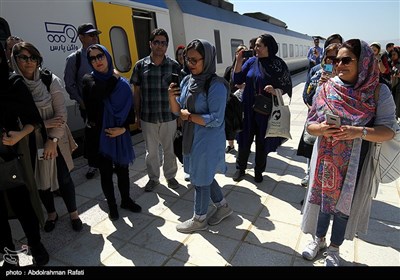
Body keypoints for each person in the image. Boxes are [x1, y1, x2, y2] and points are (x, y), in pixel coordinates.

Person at [300, 39, 399, 267]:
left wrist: (358, 131)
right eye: (336, 60)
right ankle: (319, 239)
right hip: (326, 158)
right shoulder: (327, 87)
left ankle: (334, 248)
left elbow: (388, 131)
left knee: (345, 205)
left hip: (357, 160)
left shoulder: (378, 91)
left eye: (346, 60)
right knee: (323, 200)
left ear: (363, 62)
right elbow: (310, 124)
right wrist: (322, 129)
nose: (339, 65)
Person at [11, 42, 83, 232]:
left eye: (33, 57)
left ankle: (74, 213)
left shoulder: (50, 80)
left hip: (54, 139)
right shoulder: (13, 85)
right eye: (23, 57)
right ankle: (52, 213)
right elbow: (15, 120)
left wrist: (52, 141)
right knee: (41, 180)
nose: (29, 62)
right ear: (14, 59)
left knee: (64, 177)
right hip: (31, 142)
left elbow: (61, 116)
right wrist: (43, 124)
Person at [168, 39, 232, 233]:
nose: (191, 64)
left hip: (208, 141)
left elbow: (216, 119)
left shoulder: (216, 85)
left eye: (195, 60)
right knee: (202, 174)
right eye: (188, 59)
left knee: (200, 180)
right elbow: (177, 111)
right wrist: (171, 97)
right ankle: (223, 207)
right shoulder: (188, 80)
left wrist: (190, 116)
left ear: (208, 59)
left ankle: (199, 219)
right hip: (192, 136)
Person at [0, 42, 49, 266]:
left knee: (22, 206)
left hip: (7, 158)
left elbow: (34, 121)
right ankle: (9, 254)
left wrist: (19, 136)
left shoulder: (12, 83)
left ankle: (36, 245)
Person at [82, 44, 141, 221]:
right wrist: (114, 79)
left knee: (123, 171)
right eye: (92, 58)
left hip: (120, 134)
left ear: (107, 56)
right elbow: (97, 96)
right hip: (101, 137)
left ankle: (126, 200)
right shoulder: (88, 80)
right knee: (106, 173)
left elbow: (130, 112)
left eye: (100, 56)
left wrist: (122, 129)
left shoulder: (122, 84)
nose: (97, 61)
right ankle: (112, 206)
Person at [232, 34, 292, 183]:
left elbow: (286, 86)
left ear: (268, 47)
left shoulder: (278, 64)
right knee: (244, 139)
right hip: (248, 107)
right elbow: (237, 79)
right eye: (255, 45)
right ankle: (241, 168)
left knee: (261, 141)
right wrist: (238, 62)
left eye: (259, 45)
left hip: (266, 110)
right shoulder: (251, 61)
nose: (255, 48)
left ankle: (259, 171)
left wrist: (275, 89)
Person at [130, 28, 181, 192]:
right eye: (157, 42)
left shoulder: (174, 66)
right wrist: (137, 115)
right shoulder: (140, 66)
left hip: (169, 116)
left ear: (167, 46)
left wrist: (179, 114)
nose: (160, 46)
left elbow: (180, 92)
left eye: (163, 43)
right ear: (150, 44)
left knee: (169, 149)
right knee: (151, 151)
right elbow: (136, 92)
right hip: (148, 117)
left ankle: (170, 176)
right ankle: (153, 178)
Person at [298, 34, 343, 188]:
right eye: (330, 56)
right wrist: (319, 90)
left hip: (338, 127)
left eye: (338, 55)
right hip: (317, 122)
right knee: (312, 150)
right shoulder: (316, 70)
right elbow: (306, 95)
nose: (334, 61)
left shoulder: (348, 75)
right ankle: (309, 175)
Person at [64, 23, 101, 180]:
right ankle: (93, 165)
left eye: (95, 35)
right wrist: (81, 102)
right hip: (88, 107)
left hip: (104, 103)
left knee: (106, 132)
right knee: (92, 135)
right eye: (91, 35)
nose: (94, 38)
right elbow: (69, 84)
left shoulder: (101, 54)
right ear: (81, 37)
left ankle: (108, 161)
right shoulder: (75, 59)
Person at [223, 44, 247, 153]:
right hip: (232, 101)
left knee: (243, 124)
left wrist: (245, 86)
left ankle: (243, 144)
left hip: (244, 101)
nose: (242, 55)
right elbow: (224, 83)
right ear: (236, 54)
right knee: (231, 124)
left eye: (244, 53)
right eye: (239, 53)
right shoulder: (230, 69)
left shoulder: (249, 69)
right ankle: (231, 145)